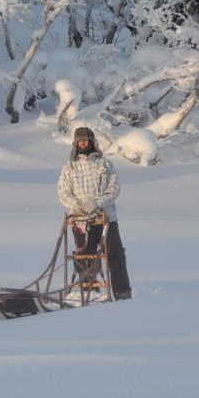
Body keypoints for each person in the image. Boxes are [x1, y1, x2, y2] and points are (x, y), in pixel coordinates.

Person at [57, 126, 133, 300]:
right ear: (75, 144)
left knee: (115, 255)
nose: (83, 143)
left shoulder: (105, 164)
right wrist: (75, 206)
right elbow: (63, 192)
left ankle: (123, 294)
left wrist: (97, 203)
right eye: (80, 141)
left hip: (106, 218)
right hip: (81, 221)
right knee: (85, 256)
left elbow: (114, 189)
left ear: (92, 142)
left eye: (86, 140)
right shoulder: (69, 167)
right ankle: (88, 293)